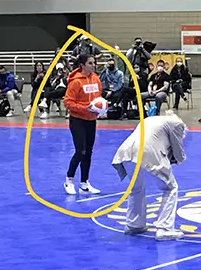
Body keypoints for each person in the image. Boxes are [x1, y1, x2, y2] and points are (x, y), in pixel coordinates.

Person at [112, 113, 187, 241]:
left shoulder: (150, 119)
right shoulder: (177, 124)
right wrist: (178, 159)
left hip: (126, 151)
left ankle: (134, 224)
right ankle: (164, 229)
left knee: (136, 188)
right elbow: (178, 153)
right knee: (171, 188)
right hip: (146, 151)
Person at [63, 53, 103, 195]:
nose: (94, 65)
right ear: (82, 65)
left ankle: (84, 182)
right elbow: (68, 102)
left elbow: (98, 98)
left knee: (89, 152)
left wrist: (102, 107)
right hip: (77, 120)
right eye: (90, 63)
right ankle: (69, 179)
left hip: (91, 120)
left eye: (94, 63)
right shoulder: (75, 82)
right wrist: (83, 109)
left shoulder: (96, 79)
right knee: (81, 151)